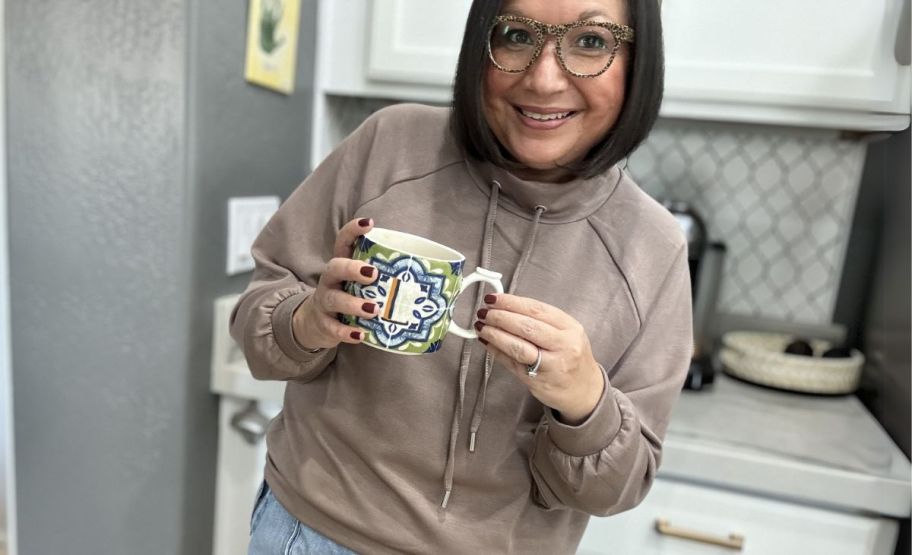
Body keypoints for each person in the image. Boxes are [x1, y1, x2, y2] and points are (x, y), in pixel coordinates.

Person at [230, 0, 691, 553]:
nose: (543, 79)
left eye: (592, 42)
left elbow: (618, 487)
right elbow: (257, 330)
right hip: (309, 534)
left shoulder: (653, 247)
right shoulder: (390, 144)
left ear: (640, 63)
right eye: (516, 35)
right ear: (481, 46)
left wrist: (584, 399)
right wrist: (309, 320)